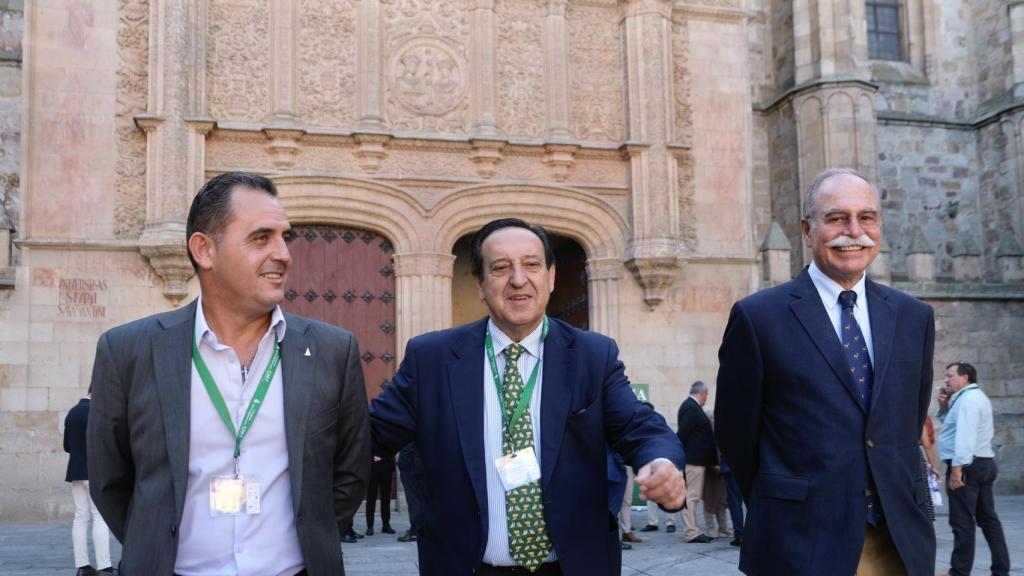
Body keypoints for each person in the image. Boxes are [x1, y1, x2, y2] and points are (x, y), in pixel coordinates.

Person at [87, 172, 371, 576]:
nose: (283, 254)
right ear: (204, 250)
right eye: (261, 238)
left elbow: (350, 475)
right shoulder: (129, 350)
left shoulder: (332, 350)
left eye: (283, 237)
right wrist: (153, 542)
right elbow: (110, 481)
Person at [369, 218, 686, 576]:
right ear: (480, 284)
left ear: (551, 276)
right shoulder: (433, 358)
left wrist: (663, 462)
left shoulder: (592, 356)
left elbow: (639, 426)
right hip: (466, 566)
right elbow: (368, 435)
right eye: (501, 268)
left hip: (572, 566)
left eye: (532, 265)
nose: (518, 279)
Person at [715, 168, 936, 575]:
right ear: (807, 228)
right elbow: (735, 435)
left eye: (866, 217)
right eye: (837, 218)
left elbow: (905, 425)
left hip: (897, 541)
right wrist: (786, 501)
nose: (854, 230)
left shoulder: (913, 316)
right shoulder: (758, 317)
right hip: (799, 543)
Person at [935, 362, 1010, 576]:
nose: (946, 380)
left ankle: (959, 572)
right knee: (988, 520)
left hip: (967, 464)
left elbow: (965, 437)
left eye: (950, 376)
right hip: (983, 462)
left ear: (964, 377)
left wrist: (957, 470)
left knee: (962, 522)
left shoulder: (968, 401)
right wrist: (943, 407)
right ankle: (1001, 570)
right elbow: (953, 426)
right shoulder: (972, 397)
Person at [64, 391, 113, 576]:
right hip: (95, 471)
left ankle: (82, 566)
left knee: (80, 517)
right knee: (99, 516)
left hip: (76, 472)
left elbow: (67, 446)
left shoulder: (72, 413)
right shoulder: (98, 412)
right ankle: (104, 566)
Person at [676, 381, 717, 543]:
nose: (707, 398)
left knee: (693, 496)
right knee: (691, 497)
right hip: (693, 461)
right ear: (701, 393)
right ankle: (691, 532)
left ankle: (694, 530)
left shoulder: (691, 408)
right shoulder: (691, 408)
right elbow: (683, 434)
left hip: (696, 460)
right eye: (706, 394)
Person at [396, 442, 424, 543]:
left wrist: (403, 465)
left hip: (411, 470)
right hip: (416, 468)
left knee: (414, 501)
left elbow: (408, 450)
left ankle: (415, 531)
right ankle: (418, 528)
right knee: (418, 501)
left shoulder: (410, 436)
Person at [365, 448, 396, 536]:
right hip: (372, 467)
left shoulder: (388, 434)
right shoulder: (369, 434)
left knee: (386, 498)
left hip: (386, 465)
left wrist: (383, 457)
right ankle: (370, 526)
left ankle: (386, 525)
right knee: (371, 498)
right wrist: (372, 457)